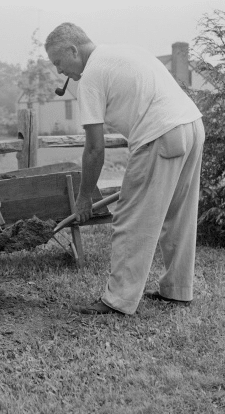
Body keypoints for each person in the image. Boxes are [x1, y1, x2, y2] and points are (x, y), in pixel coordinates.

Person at [45, 23, 205, 315]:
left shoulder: (91, 77)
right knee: (179, 214)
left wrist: (83, 198)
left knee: (131, 220)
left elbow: (94, 149)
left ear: (73, 50)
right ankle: (177, 291)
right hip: (192, 126)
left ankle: (118, 300)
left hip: (161, 135)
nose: (59, 71)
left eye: (58, 62)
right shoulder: (124, 52)